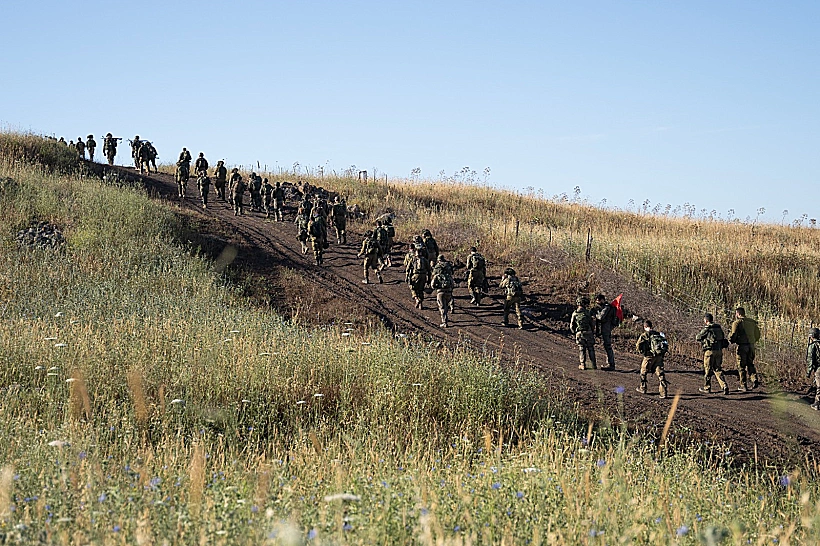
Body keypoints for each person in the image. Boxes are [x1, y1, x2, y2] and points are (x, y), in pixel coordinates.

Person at [695, 313, 730, 395]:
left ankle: (707, 387)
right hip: (719, 351)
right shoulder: (718, 328)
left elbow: (698, 337)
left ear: (706, 320)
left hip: (710, 351)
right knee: (718, 369)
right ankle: (724, 386)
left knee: (708, 370)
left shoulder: (707, 328)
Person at [729, 307, 761, 392]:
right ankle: (754, 379)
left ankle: (743, 385)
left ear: (738, 314)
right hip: (751, 346)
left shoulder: (737, 323)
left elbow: (733, 334)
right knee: (750, 363)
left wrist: (732, 340)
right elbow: (758, 334)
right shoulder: (752, 323)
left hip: (742, 346)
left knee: (741, 366)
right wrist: (753, 341)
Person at [635, 320, 668, 399]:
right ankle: (663, 392)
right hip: (658, 357)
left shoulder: (644, 335)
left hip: (649, 357)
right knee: (660, 374)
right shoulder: (657, 334)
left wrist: (642, 351)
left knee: (643, 372)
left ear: (645, 327)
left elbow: (638, 345)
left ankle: (643, 388)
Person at [570, 297, 596, 370]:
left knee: (582, 349)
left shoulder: (575, 313)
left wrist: (574, 332)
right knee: (591, 348)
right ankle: (593, 364)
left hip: (580, 333)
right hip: (589, 332)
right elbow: (592, 323)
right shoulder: (588, 313)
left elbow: (572, 326)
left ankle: (583, 364)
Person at [431, 255, 455, 328]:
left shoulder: (437, 276)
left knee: (442, 307)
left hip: (440, 292)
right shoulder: (448, 276)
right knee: (446, 306)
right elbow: (452, 284)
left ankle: (444, 322)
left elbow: (432, 285)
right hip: (448, 292)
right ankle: (451, 307)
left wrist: (436, 288)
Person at [594, 294, 617, 370]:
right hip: (605, 328)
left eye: (599, 301)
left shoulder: (607, 307)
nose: (598, 302)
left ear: (602, 300)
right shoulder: (606, 307)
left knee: (607, 346)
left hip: (606, 329)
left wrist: (596, 314)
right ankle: (610, 363)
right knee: (606, 345)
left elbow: (600, 317)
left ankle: (611, 364)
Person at [405, 244, 430, 309]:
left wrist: (407, 277)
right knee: (421, 289)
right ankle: (420, 303)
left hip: (415, 275)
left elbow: (408, 269)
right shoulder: (425, 260)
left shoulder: (413, 259)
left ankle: (417, 299)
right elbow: (429, 270)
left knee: (413, 288)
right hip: (423, 276)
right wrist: (429, 279)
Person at [806, 328, 820, 410]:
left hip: (818, 368)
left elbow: (810, 359)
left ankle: (817, 403)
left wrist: (808, 372)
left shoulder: (812, 346)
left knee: (819, 386)